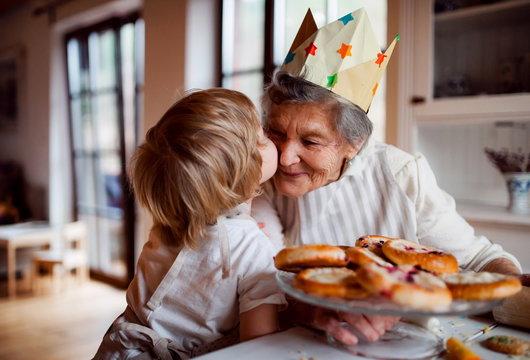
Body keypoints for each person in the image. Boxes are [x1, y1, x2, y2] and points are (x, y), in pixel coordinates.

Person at [251, 70, 523, 345]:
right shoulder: (264, 176)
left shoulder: (402, 174)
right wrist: (306, 309)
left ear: (354, 143)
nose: (285, 157)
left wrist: (515, 291)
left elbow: (480, 260)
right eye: (276, 132)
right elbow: (260, 277)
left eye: (310, 141)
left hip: (417, 341)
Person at [93, 88, 285, 359]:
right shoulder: (251, 248)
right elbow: (258, 345)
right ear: (249, 171)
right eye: (263, 136)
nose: (272, 138)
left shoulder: (169, 222)